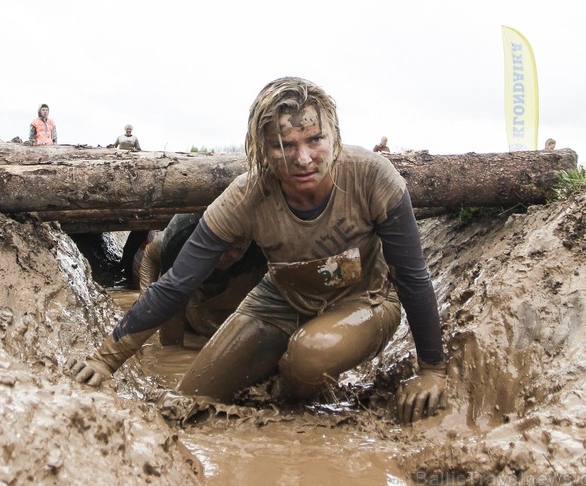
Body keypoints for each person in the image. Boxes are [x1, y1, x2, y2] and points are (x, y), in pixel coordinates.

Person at [66, 76, 447, 425]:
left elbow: (412, 277)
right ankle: (279, 372)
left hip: (365, 299)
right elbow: (177, 283)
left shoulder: (374, 177)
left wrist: (432, 369)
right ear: (262, 149)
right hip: (281, 298)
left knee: (310, 355)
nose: (302, 159)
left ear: (334, 135)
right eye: (284, 145)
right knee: (187, 403)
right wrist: (105, 360)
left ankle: (287, 389)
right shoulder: (246, 196)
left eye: (315, 140)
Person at [135, 213, 267, 347]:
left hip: (230, 281)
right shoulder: (180, 237)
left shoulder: (264, 242)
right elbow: (151, 255)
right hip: (189, 276)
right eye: (226, 248)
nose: (232, 255)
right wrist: (145, 300)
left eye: (239, 249)